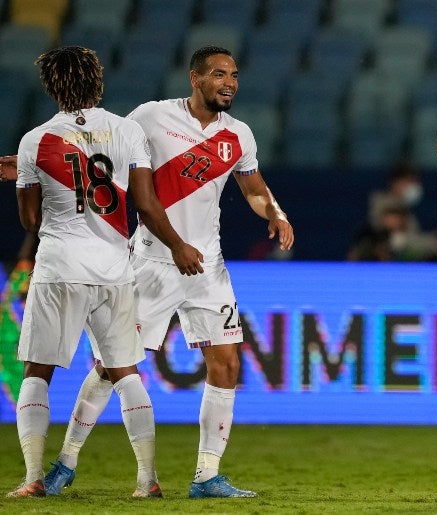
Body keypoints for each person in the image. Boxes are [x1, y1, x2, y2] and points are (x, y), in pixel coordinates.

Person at [43, 46, 295, 499]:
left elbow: (254, 188)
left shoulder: (238, 135)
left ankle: (206, 475)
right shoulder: (150, 117)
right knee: (111, 365)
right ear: (195, 78)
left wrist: (274, 213)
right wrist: (39, 162)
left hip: (208, 266)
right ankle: (66, 460)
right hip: (153, 264)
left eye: (234, 74)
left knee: (227, 361)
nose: (230, 82)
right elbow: (100, 148)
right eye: (219, 74)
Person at [7, 46, 203, 498]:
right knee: (126, 373)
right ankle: (147, 481)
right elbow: (147, 204)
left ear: (51, 85)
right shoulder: (127, 130)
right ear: (98, 80)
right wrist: (177, 246)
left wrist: (24, 181)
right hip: (116, 268)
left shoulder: (35, 139)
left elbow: (30, 221)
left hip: (59, 269)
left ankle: (35, 478)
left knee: (38, 373)